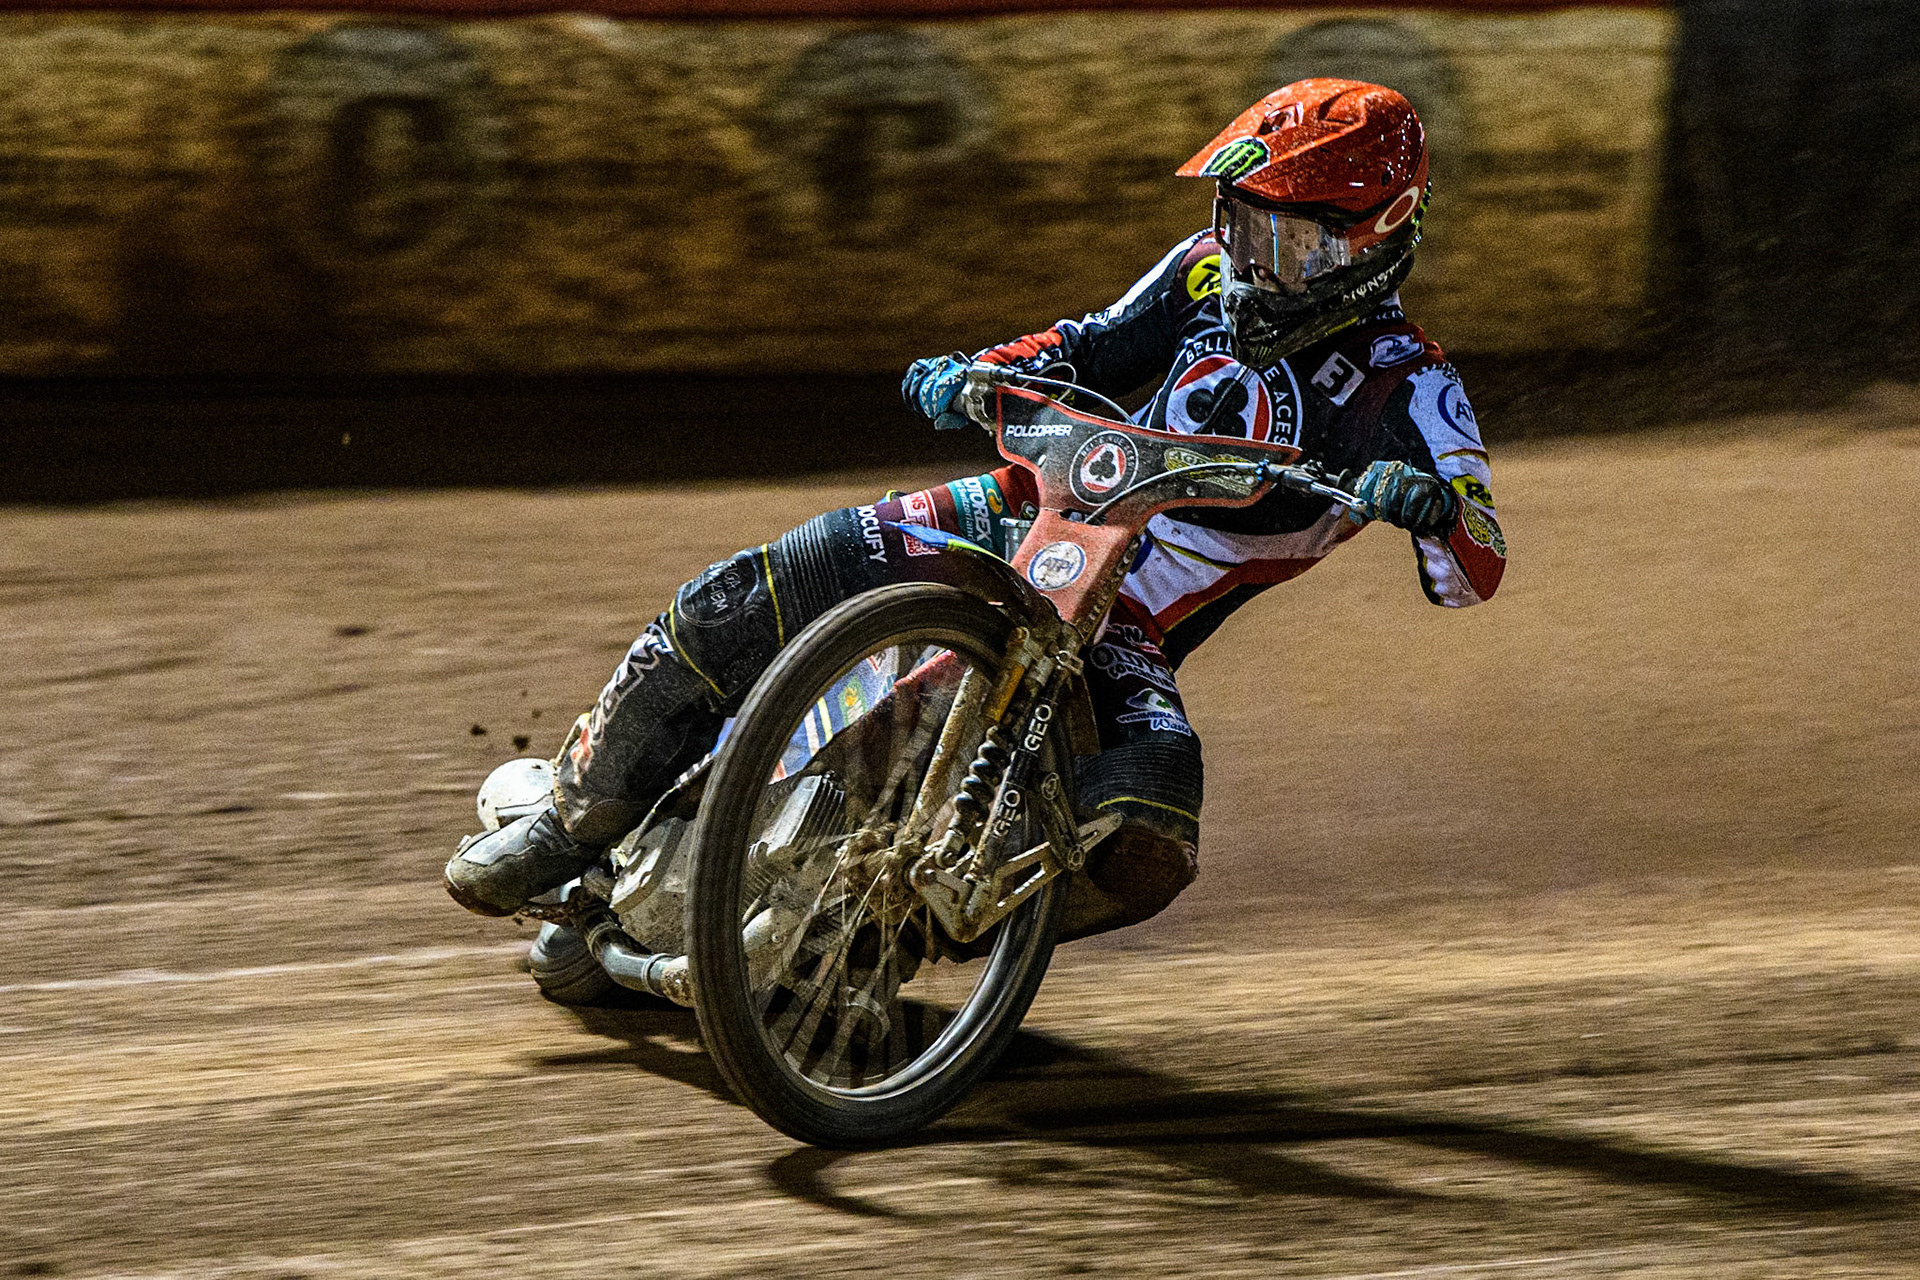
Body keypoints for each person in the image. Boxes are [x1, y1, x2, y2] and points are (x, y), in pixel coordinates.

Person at [446, 78, 1505, 940]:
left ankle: (876, 932)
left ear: (1378, 237)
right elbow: (1087, 345)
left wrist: (1427, 507)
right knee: (750, 587)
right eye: (1240, 228)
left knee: (1151, 814)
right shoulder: (1198, 275)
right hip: (1023, 503)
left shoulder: (1413, 385)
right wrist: (979, 370)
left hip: (1123, 622)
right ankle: (572, 817)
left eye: (1292, 246)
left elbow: (1479, 561)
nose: (1254, 269)